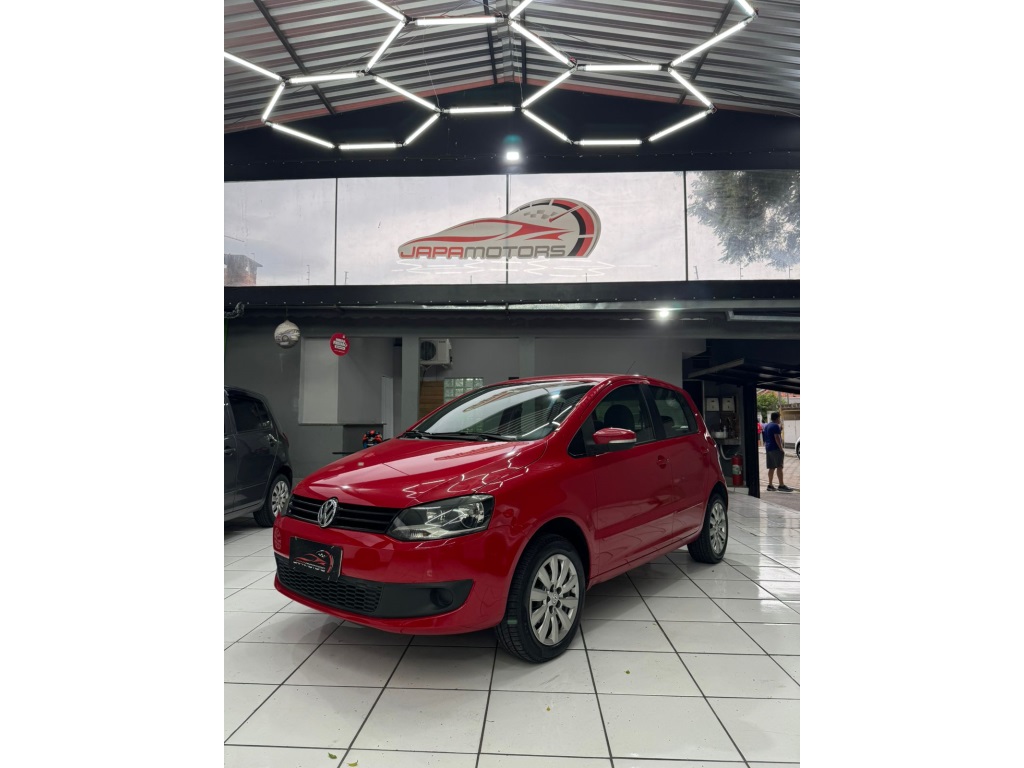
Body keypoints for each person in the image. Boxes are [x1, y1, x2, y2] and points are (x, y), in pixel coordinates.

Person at [762, 412, 793, 492]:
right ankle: (781, 485)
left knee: (771, 467)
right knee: (779, 466)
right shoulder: (775, 426)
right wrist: (781, 448)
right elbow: (777, 437)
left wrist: (780, 428)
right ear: (777, 418)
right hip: (775, 448)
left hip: (768, 448)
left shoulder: (767, 425)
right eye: (779, 418)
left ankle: (770, 485)